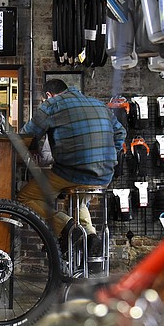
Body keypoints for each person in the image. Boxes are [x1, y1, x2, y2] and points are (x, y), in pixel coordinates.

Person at [17, 78, 126, 258]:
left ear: (48, 95)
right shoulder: (98, 104)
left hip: (70, 172)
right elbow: (121, 132)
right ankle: (90, 237)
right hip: (104, 174)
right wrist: (110, 155)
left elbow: (27, 135)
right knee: (77, 200)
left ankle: (68, 227)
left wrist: (33, 147)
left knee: (25, 197)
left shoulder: (51, 105)